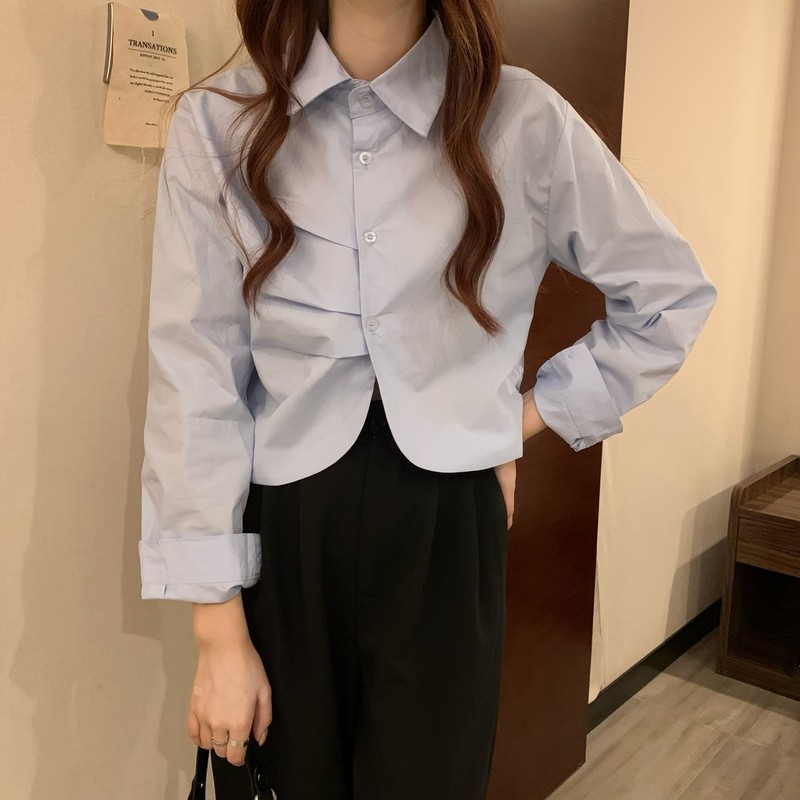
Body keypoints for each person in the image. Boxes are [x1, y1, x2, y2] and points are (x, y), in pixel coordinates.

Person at [138, 1, 718, 798]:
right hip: (286, 535)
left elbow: (668, 298)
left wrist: (520, 420)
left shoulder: (523, 119)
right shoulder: (219, 124)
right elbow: (196, 374)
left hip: (450, 531)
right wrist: (217, 630)